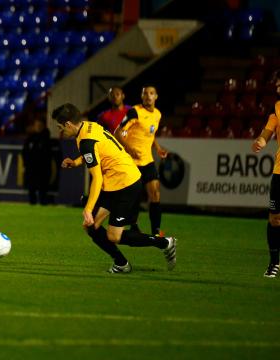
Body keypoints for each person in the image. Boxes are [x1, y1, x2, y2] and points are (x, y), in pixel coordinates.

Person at [52, 103, 177, 273]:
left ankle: (164, 243)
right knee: (91, 227)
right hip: (116, 181)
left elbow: (97, 178)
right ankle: (121, 263)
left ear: (68, 124)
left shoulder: (85, 141)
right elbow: (99, 150)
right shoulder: (89, 127)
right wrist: (76, 162)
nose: (61, 132)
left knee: (113, 236)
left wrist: (88, 209)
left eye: (60, 127)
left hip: (125, 184)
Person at [114, 85, 168, 236]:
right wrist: (129, 148)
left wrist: (157, 147)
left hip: (147, 161)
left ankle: (156, 230)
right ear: (142, 96)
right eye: (145, 93)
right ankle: (134, 225)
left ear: (156, 96)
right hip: (132, 163)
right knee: (134, 197)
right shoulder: (134, 112)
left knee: (155, 194)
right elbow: (118, 131)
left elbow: (150, 134)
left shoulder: (157, 114)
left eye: (151, 93)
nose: (148, 96)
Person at [251, 69, 280, 278]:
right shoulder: (277, 110)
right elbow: (267, 132)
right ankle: (274, 262)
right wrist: (261, 140)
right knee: (274, 219)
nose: (278, 87)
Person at [22, 115, 53, 205]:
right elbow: (24, 152)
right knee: (31, 189)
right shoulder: (30, 139)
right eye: (37, 125)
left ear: (43, 126)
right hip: (31, 169)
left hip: (42, 170)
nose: (38, 127)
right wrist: (25, 165)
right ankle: (32, 205)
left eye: (40, 125)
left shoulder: (46, 139)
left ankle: (43, 205)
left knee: (42, 191)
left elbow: (48, 155)